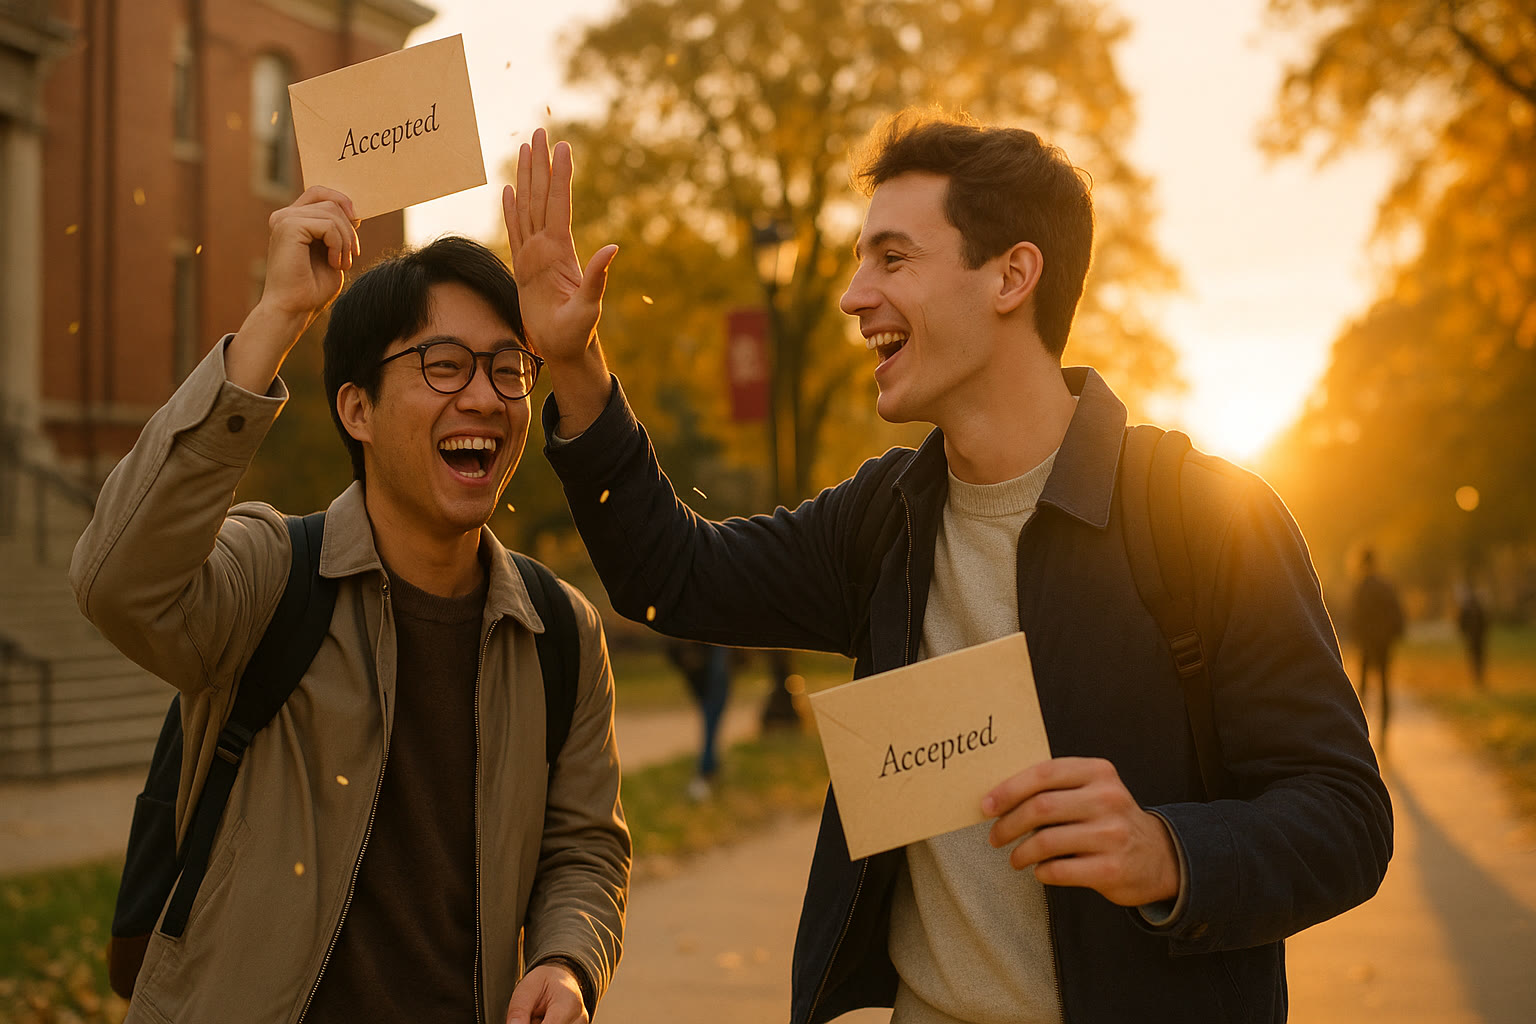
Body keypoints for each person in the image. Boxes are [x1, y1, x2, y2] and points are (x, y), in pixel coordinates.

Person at [509, 115, 1392, 1023]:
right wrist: (575, 364)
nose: (854, 296)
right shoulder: (884, 517)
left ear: (1012, 275)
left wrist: (1169, 851)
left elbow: (1347, 818)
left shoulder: (1203, 516)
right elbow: (675, 573)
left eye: (892, 260)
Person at [70, 188, 629, 1024]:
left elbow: (585, 847)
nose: (484, 397)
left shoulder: (562, 634)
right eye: (444, 364)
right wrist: (277, 314)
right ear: (356, 408)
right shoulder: (269, 575)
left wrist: (567, 959)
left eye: (507, 367)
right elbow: (118, 581)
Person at [664, 639, 734, 798]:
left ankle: (710, 765)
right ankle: (707, 767)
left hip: (707, 661)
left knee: (712, 716)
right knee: (712, 714)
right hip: (706, 657)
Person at [1351, 547, 1406, 739]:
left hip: (1368, 644)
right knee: (1383, 685)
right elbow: (1397, 613)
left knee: (1363, 688)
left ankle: (1360, 731)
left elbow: (1355, 618)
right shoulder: (1385, 585)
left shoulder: (1361, 587)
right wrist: (1395, 635)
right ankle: (1384, 728)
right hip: (1383, 643)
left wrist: (1356, 638)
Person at [1456, 583, 1490, 689]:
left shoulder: (1470, 609)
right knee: (1477, 657)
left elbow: (1461, 623)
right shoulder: (1476, 609)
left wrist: (1464, 633)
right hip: (1476, 638)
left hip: (1475, 638)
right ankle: (1477, 677)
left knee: (1476, 657)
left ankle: (1478, 677)